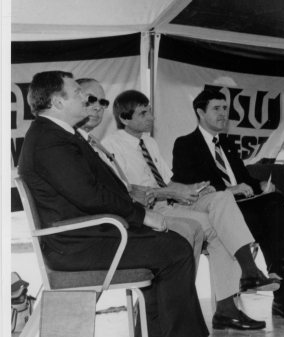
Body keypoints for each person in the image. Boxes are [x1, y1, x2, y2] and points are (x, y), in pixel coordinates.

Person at [18, 71, 209, 337]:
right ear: (57, 102)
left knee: (170, 246)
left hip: (89, 236)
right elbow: (90, 195)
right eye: (77, 93)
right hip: (79, 245)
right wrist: (142, 216)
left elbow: (101, 189)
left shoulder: (58, 135)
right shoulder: (51, 141)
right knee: (175, 250)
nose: (85, 98)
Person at [102, 89, 279, 330]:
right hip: (149, 212)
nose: (151, 117)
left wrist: (196, 187)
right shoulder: (111, 145)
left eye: (150, 111)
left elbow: (169, 181)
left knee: (220, 198)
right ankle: (229, 300)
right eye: (144, 113)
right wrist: (172, 192)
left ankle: (246, 276)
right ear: (124, 118)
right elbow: (126, 190)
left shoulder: (149, 142)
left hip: (171, 203)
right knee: (215, 228)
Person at [171, 89, 284, 320]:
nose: (223, 114)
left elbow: (243, 179)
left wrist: (261, 184)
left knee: (274, 200)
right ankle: (282, 296)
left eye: (225, 108)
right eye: (216, 108)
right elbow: (189, 183)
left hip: (245, 208)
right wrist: (226, 190)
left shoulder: (227, 142)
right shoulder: (185, 144)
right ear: (200, 112)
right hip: (220, 212)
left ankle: (281, 264)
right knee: (267, 225)